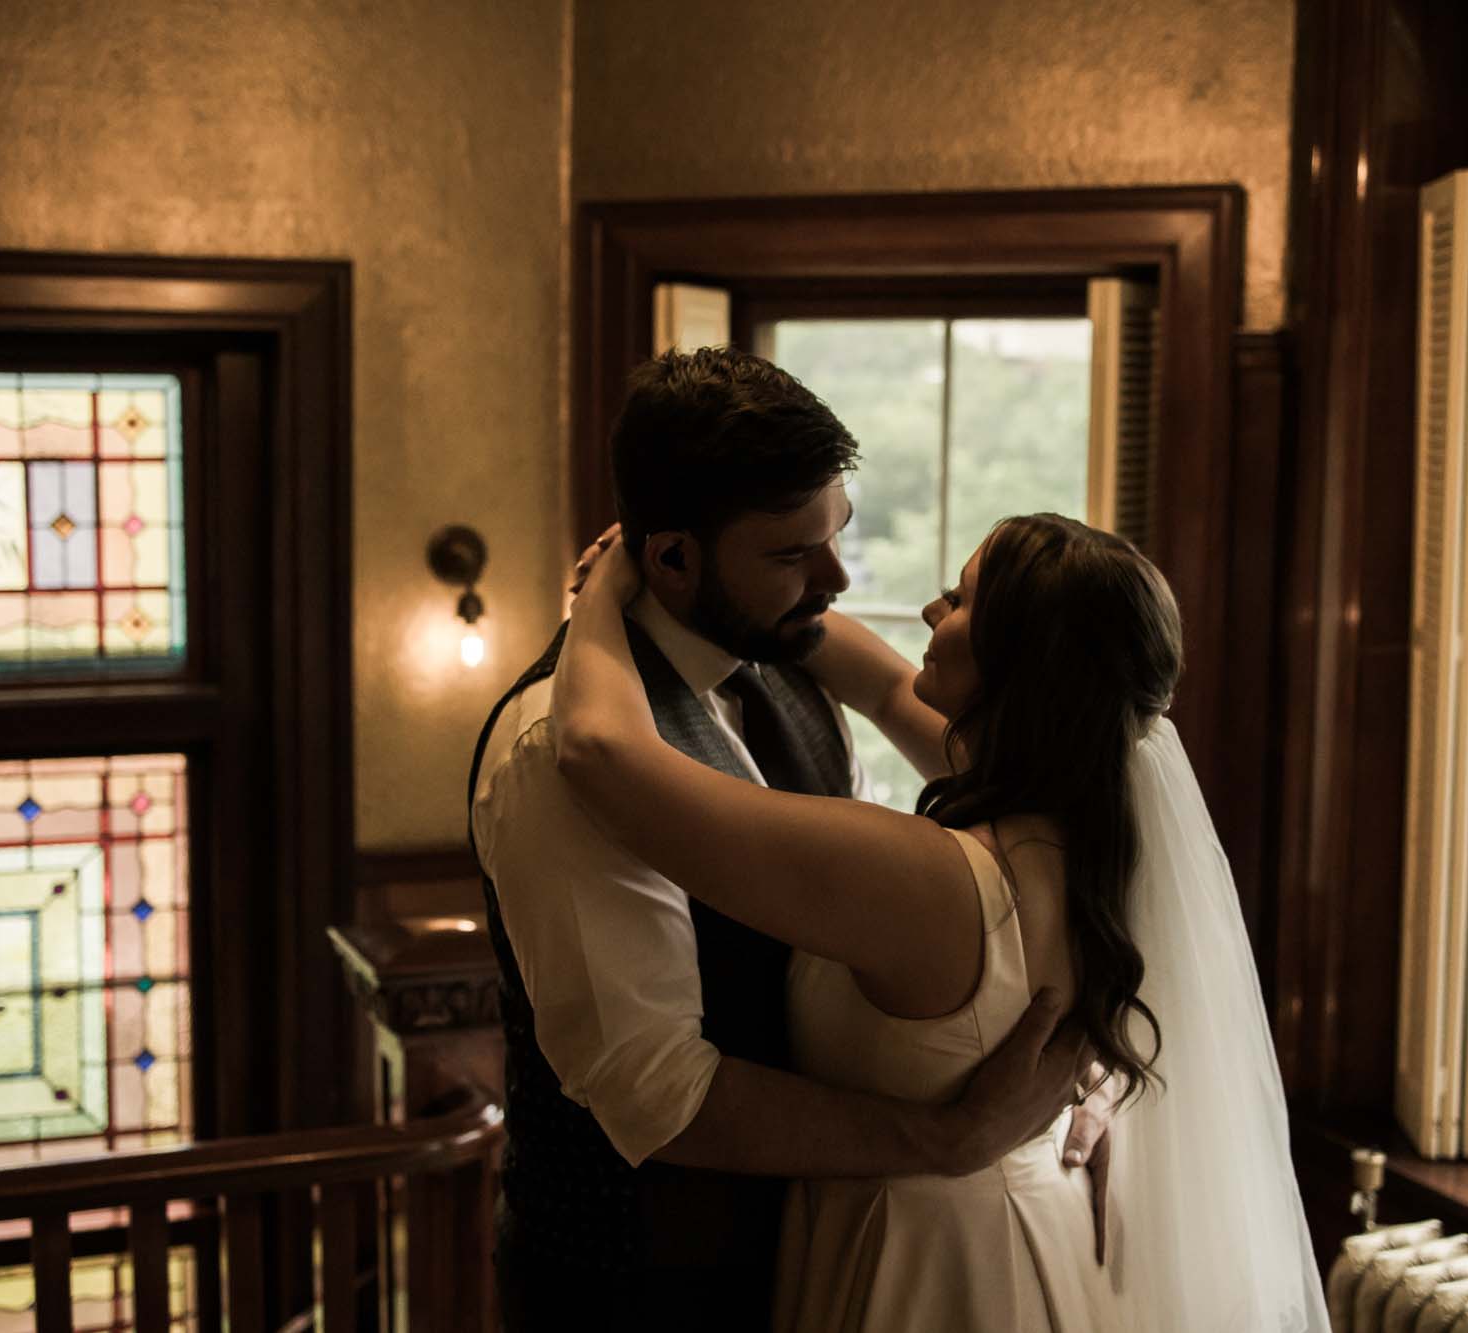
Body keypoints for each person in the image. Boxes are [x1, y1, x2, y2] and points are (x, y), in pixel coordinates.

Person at [555, 508, 1332, 1330]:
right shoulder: (1091, 829)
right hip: (1035, 1231)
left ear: (1020, 660)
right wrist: (746, 594)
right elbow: (887, 688)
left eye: (958, 600)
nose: (931, 611)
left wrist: (601, 594)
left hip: (933, 1265)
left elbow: (601, 754)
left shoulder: (929, 881)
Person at [467, 348, 1112, 1332]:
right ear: (671, 558)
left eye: (836, 532)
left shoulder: (792, 669)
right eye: (789, 555)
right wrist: (946, 1135)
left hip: (821, 1258)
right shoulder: (552, 753)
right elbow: (656, 1092)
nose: (836, 577)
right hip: (637, 1288)